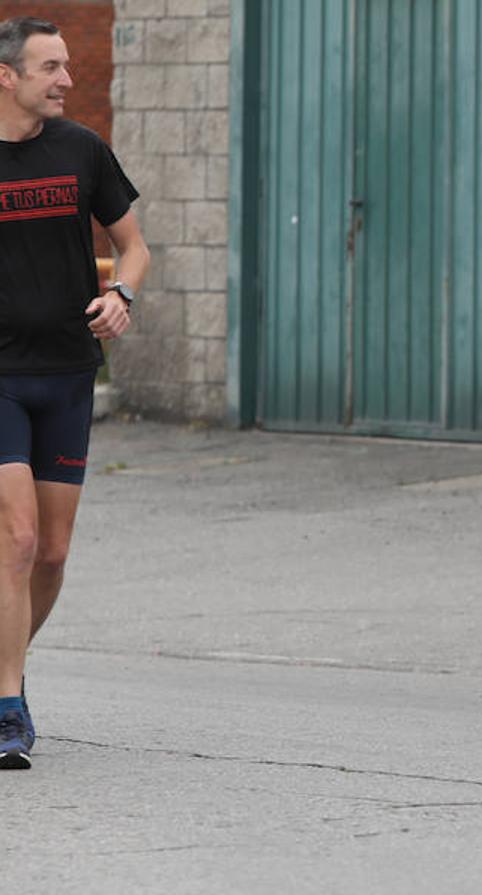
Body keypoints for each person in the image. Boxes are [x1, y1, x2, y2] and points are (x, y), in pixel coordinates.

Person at [0, 17, 150, 769]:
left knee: (53, 552)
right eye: (50, 66)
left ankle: (3, 668)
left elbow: (135, 244)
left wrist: (123, 292)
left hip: (66, 372)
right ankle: (6, 707)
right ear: (8, 75)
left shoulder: (83, 149)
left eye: (66, 64)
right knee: (18, 539)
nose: (65, 77)